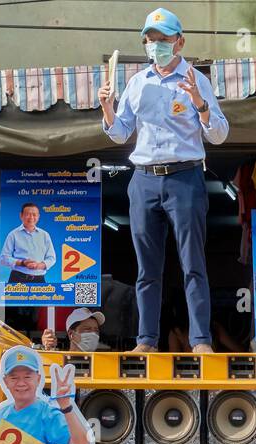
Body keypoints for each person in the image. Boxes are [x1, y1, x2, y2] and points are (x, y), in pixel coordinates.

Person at [100, 7, 229, 354]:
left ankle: (201, 340)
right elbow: (120, 132)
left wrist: (200, 104)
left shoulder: (196, 79)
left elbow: (218, 134)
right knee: (147, 268)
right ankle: (146, 341)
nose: (155, 45)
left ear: (180, 41)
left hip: (184, 177)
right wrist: (107, 108)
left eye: (163, 39)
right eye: (150, 40)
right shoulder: (138, 82)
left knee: (192, 264)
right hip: (143, 179)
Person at [0, 203, 57, 286]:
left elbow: (52, 258)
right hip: (17, 279)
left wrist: (38, 265)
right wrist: (22, 263)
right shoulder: (13, 234)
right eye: (27, 214)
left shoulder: (45, 235)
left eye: (34, 215)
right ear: (21, 215)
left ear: (38, 216)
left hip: (39, 280)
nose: (31, 217)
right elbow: (3, 258)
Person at [41, 308, 106, 352]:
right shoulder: (61, 361)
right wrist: (48, 349)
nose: (93, 334)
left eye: (96, 330)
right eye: (87, 329)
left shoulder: (102, 363)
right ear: (71, 334)